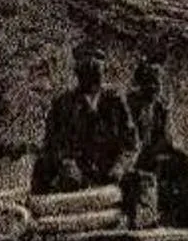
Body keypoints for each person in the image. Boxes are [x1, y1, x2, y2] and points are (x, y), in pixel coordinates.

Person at [32, 43, 136, 193]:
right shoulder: (63, 104)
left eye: (97, 67)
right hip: (74, 176)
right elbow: (52, 144)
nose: (93, 72)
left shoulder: (115, 102)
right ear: (78, 72)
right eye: (86, 67)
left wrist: (120, 166)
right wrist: (66, 163)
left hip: (109, 174)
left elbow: (130, 143)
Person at [124, 60, 188, 223]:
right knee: (152, 173)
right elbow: (128, 139)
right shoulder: (129, 105)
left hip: (151, 156)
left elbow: (165, 139)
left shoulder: (160, 108)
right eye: (150, 82)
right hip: (133, 156)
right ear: (141, 84)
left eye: (157, 83)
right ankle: (156, 212)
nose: (155, 87)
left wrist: (173, 154)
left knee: (184, 163)